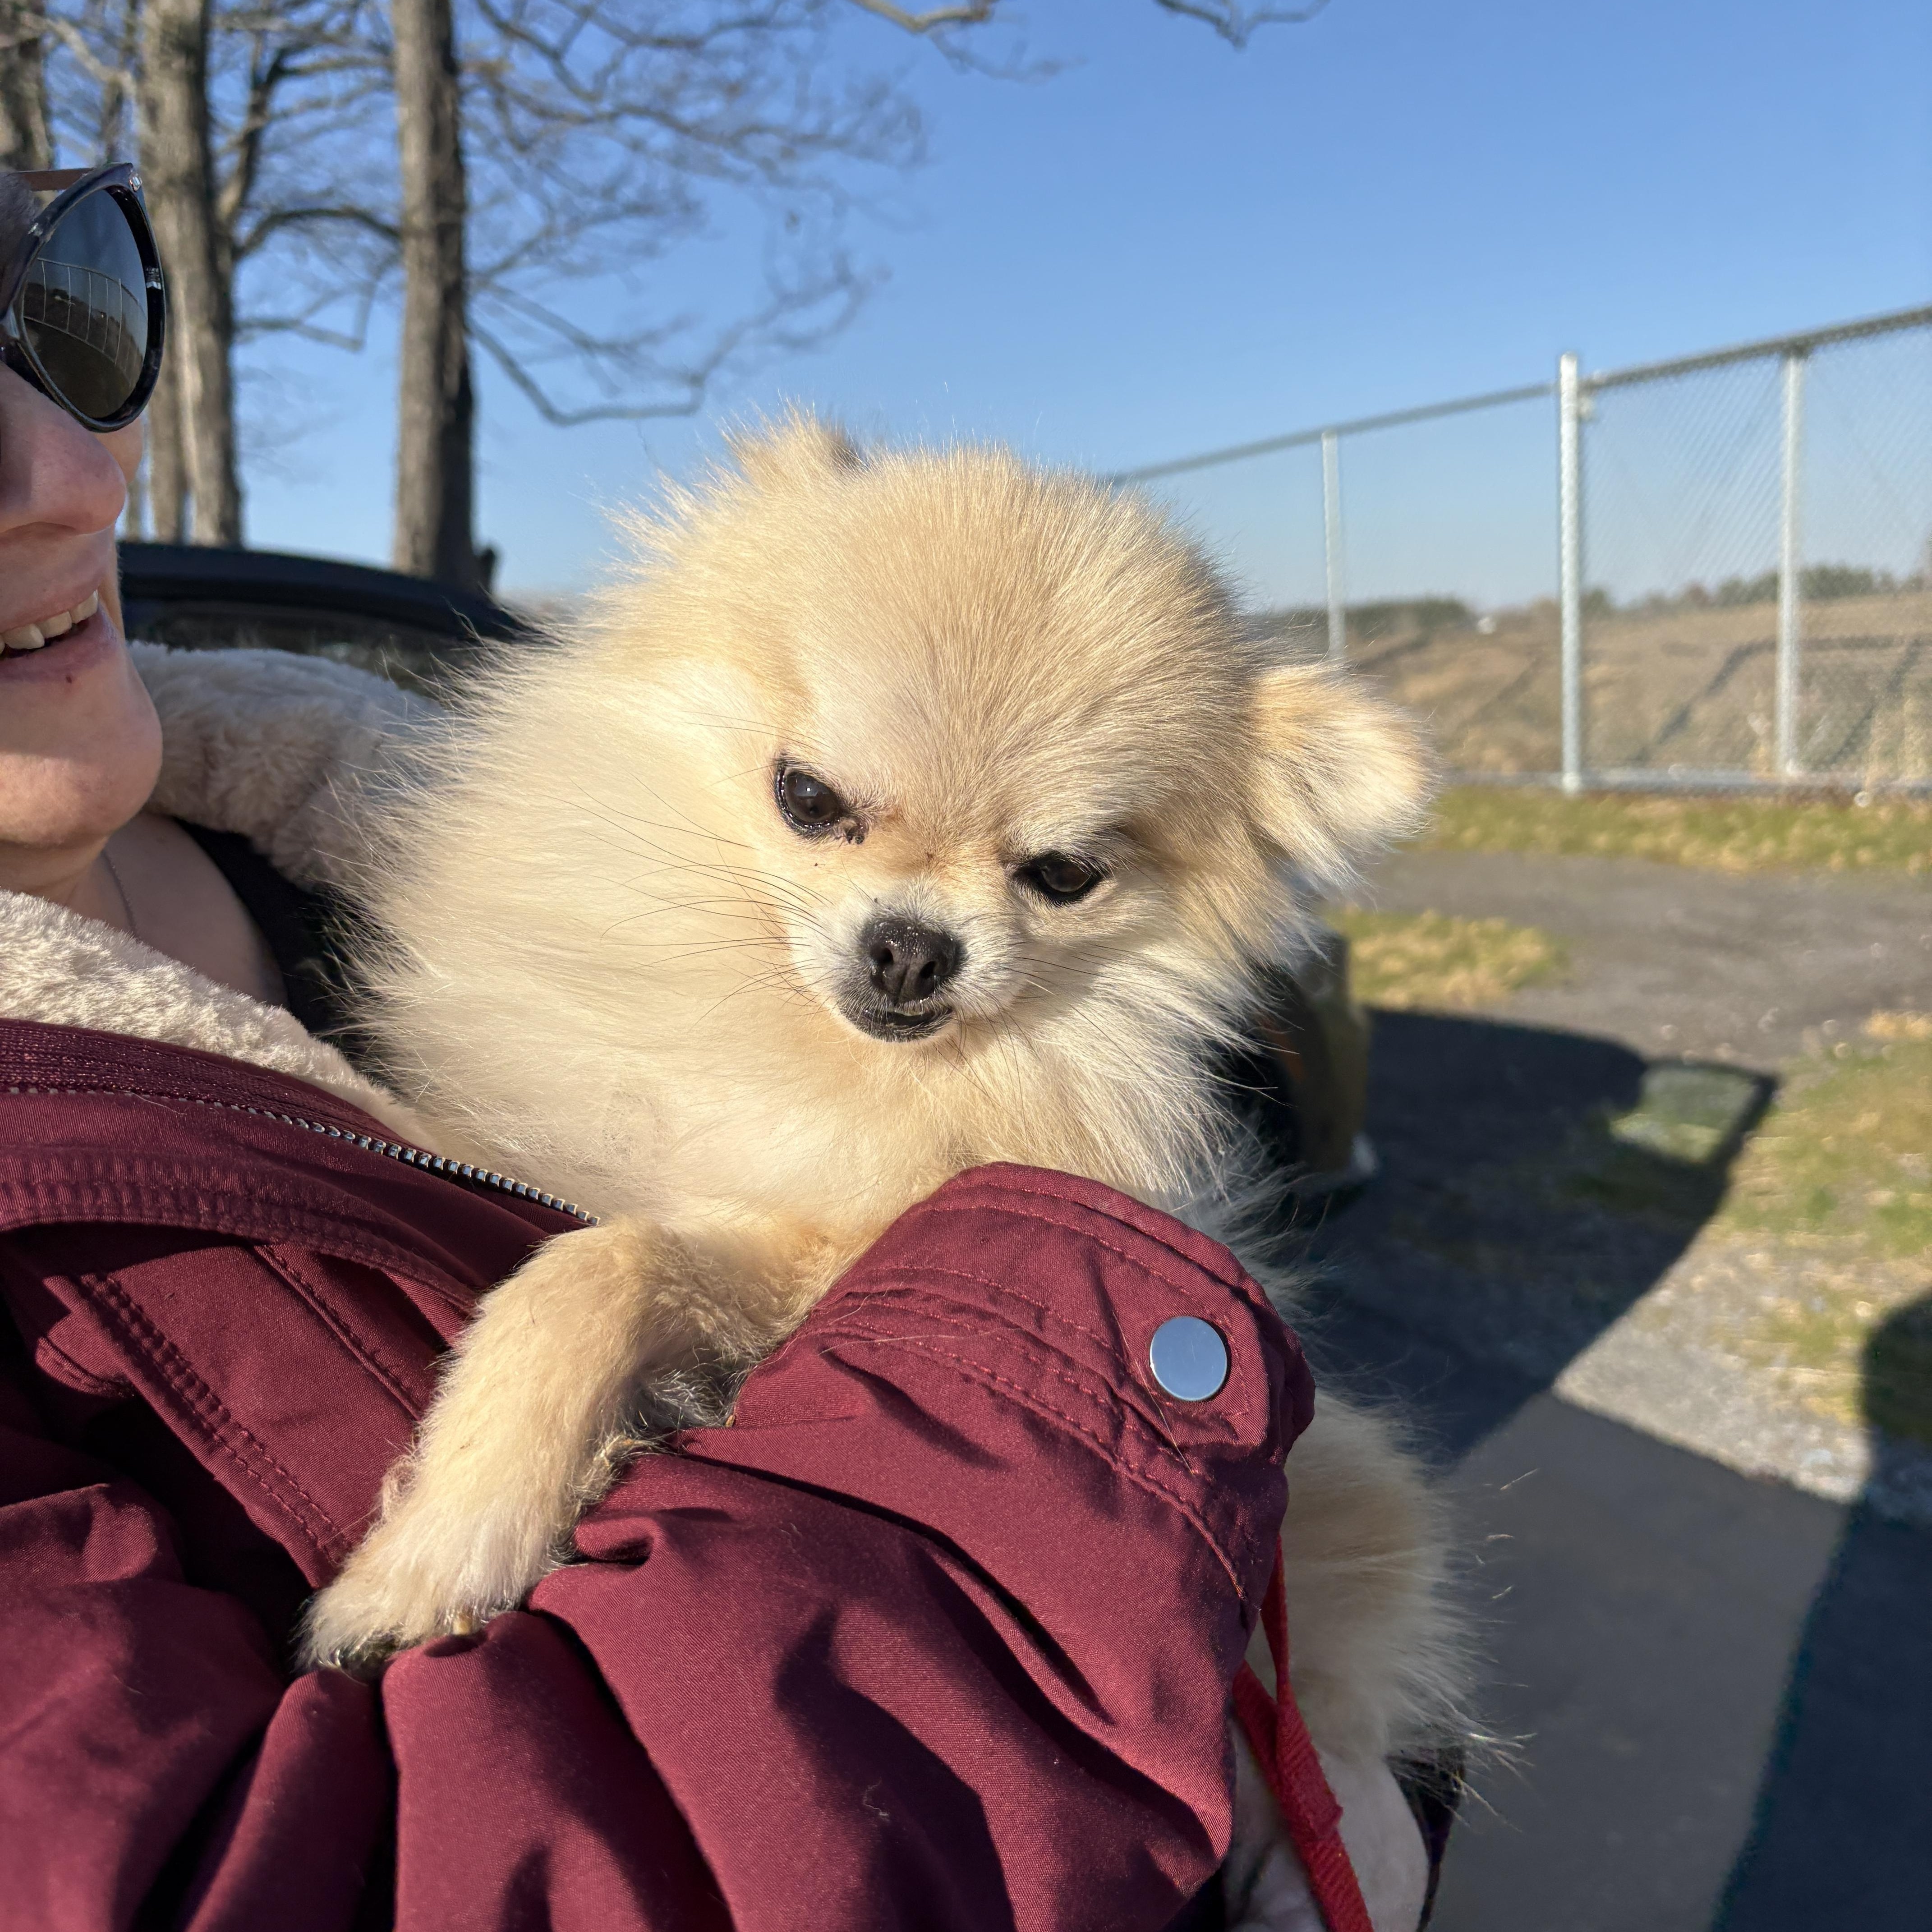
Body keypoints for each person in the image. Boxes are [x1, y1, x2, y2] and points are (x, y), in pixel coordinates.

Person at [0, 165, 1432, 1931]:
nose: (913, 930)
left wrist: (1338, 1762)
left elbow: (1339, 1542)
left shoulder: (349, 816)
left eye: (1053, 871)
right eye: (821, 802)